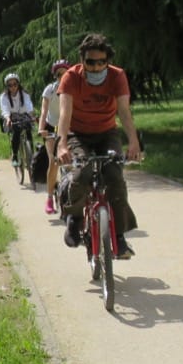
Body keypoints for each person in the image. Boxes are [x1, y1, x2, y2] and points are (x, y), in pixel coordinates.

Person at [55, 33, 142, 257]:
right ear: (82, 60)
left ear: (108, 61)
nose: (96, 67)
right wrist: (62, 145)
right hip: (78, 134)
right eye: (91, 62)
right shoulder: (71, 78)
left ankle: (119, 237)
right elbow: (64, 115)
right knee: (82, 173)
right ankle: (74, 218)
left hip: (106, 133)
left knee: (114, 176)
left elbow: (124, 111)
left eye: (102, 62)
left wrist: (133, 142)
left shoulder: (117, 76)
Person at [38, 59, 71, 215]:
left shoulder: (74, 88)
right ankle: (50, 197)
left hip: (69, 126)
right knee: (54, 161)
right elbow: (44, 111)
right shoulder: (49, 90)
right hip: (51, 127)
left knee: (74, 161)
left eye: (65, 74)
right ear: (55, 76)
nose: (62, 78)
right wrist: (41, 128)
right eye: (59, 75)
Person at [0, 73, 35, 160]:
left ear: (18, 84)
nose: (13, 87)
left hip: (23, 115)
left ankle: (31, 155)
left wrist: (31, 115)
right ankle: (15, 155)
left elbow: (28, 105)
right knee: (16, 131)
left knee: (28, 129)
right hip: (11, 116)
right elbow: (4, 109)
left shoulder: (24, 93)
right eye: (10, 85)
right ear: (7, 86)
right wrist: (7, 119)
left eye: (15, 84)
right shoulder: (4, 96)